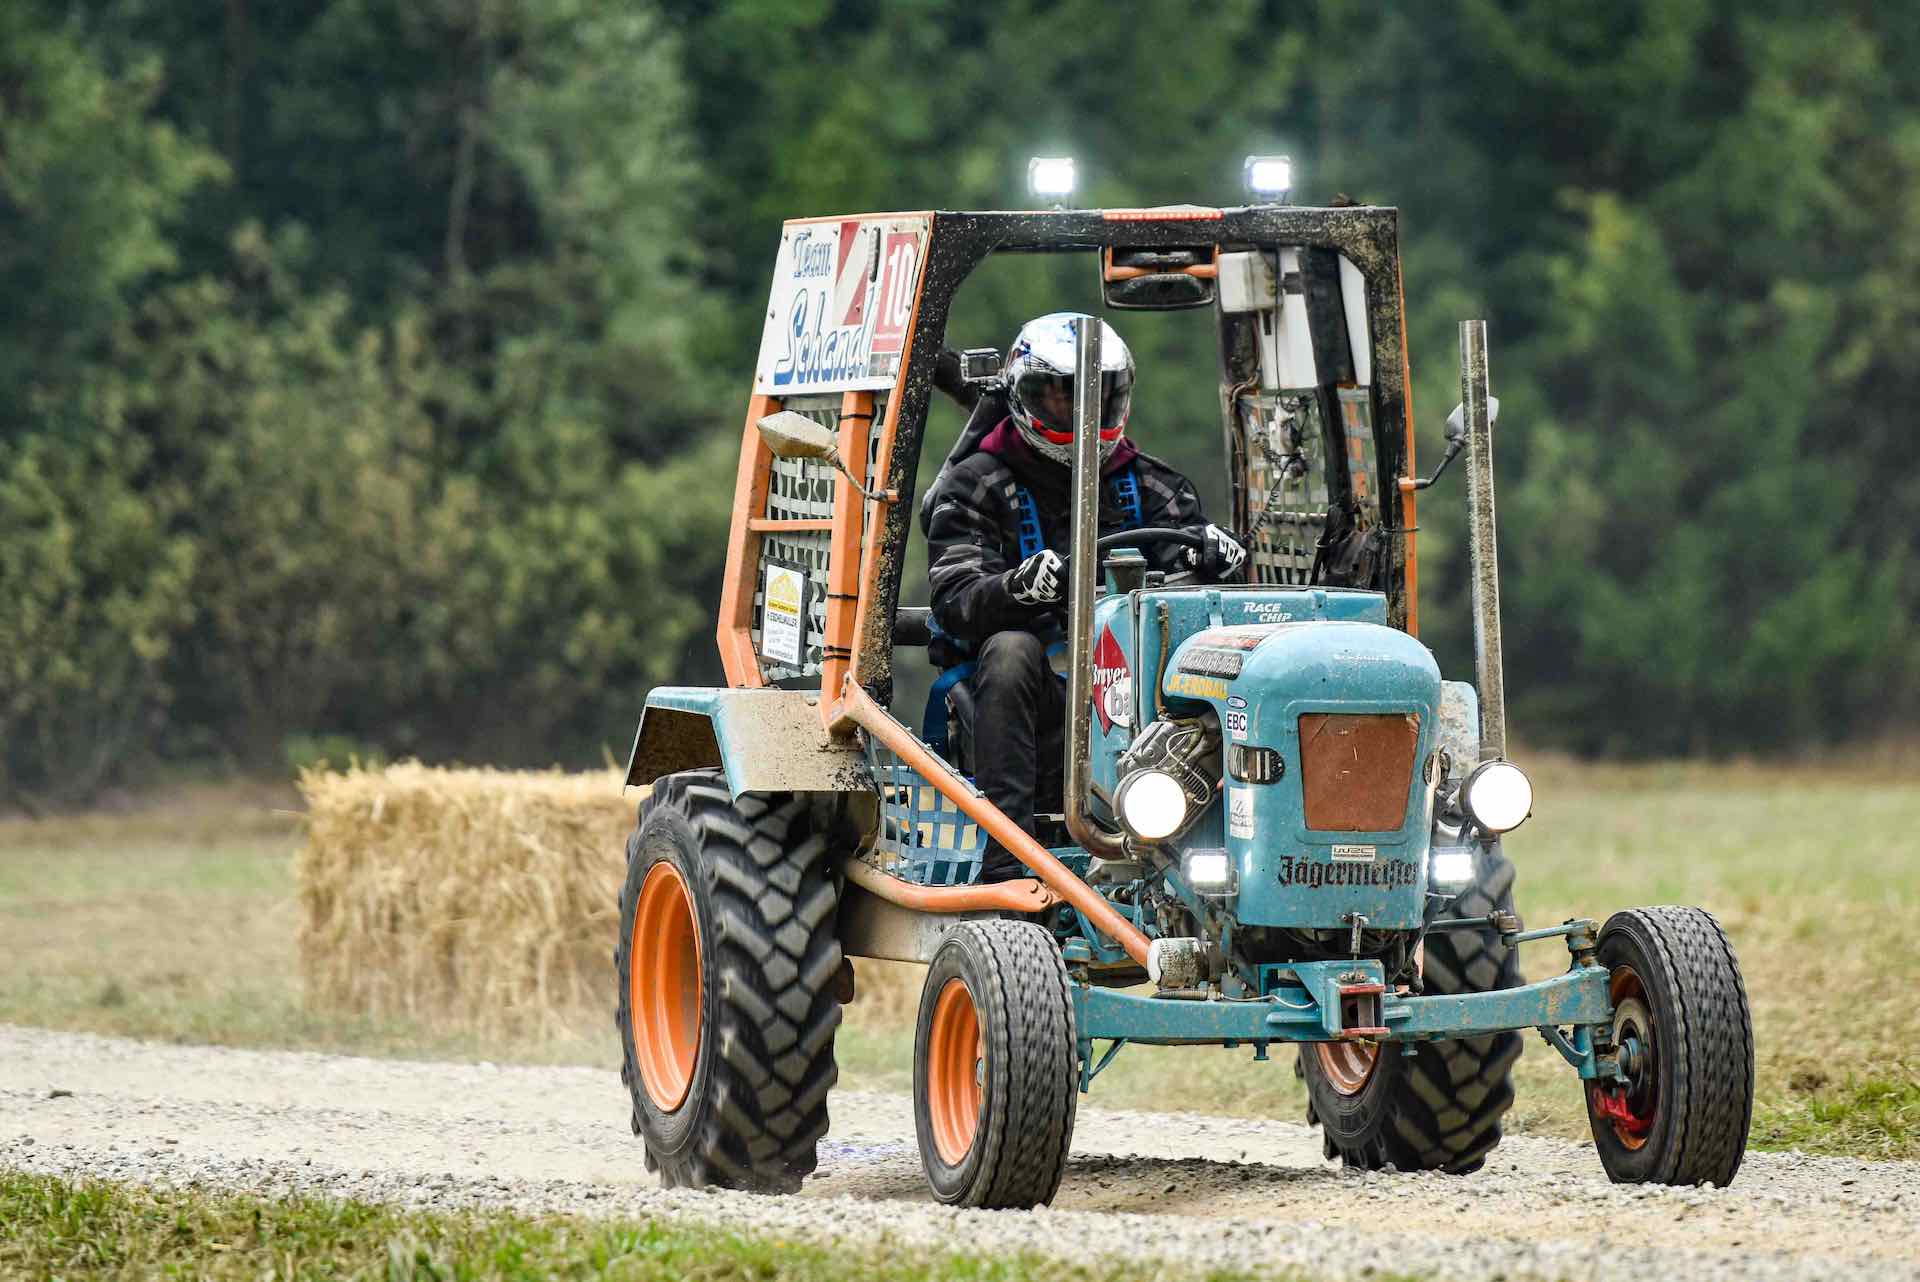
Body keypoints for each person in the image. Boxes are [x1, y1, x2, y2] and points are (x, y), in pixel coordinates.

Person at [921, 313, 1247, 882]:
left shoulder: (1155, 486)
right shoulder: (975, 485)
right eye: (1059, 396)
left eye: (1096, 397)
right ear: (1023, 396)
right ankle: (1008, 864)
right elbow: (955, 596)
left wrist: (1216, 561)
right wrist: (1017, 587)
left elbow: (1200, 594)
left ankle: (1224, 848)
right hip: (1033, 706)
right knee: (1011, 650)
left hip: (1147, 706)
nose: (1079, 413)